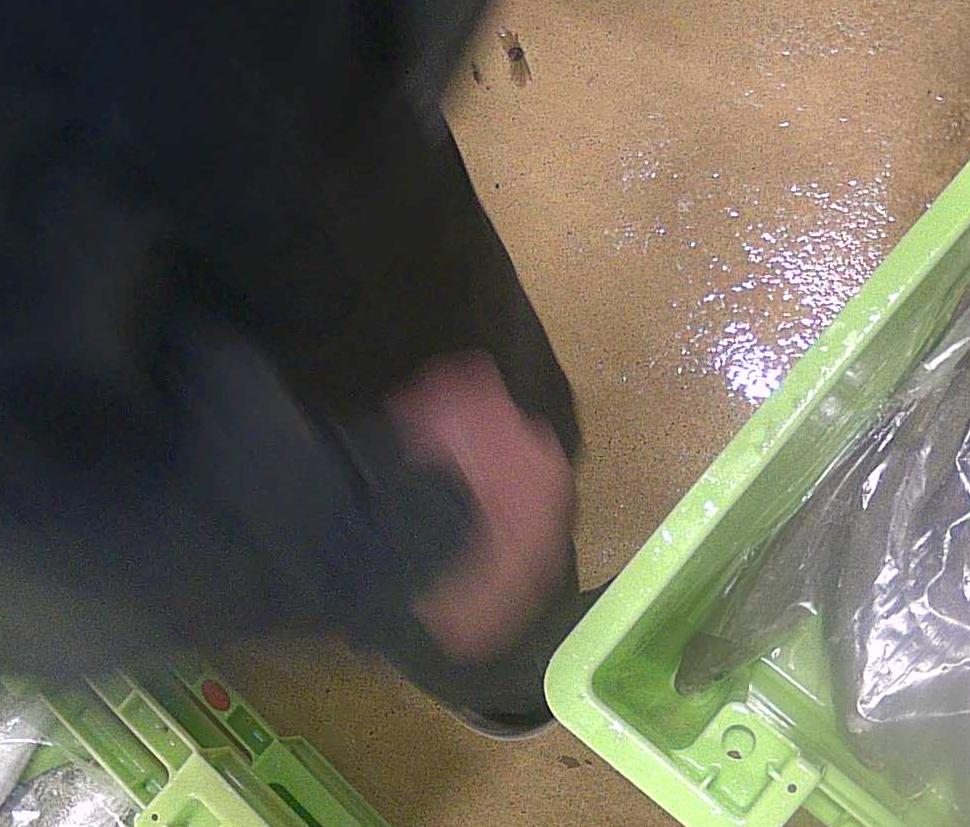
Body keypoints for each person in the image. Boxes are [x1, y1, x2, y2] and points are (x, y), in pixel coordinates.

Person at [0, 0, 592, 737]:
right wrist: (354, 545)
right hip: (220, 378)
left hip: (332, 121)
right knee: (476, 560)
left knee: (510, 415)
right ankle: (532, 669)